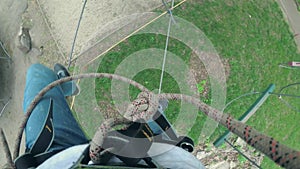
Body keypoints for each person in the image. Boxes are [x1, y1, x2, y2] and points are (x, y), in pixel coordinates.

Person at [17, 63, 205, 169]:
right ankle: (154, 123)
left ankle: (65, 85)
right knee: (151, 119)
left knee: (38, 73)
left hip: (55, 157)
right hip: (146, 155)